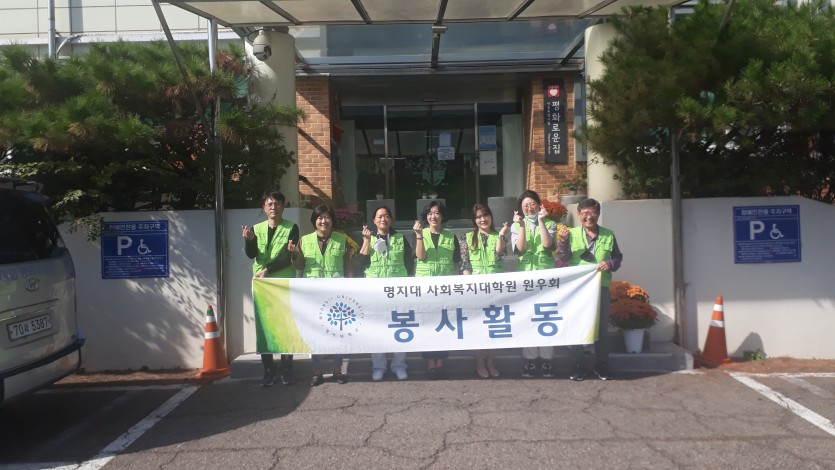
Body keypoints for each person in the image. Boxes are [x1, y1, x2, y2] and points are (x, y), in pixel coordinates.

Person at [557, 198, 623, 381]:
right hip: (578, 289)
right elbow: (563, 258)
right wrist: (562, 241)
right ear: (579, 215)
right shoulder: (570, 234)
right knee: (577, 326)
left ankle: (601, 364)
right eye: (585, 213)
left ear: (598, 214)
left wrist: (610, 263)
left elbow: (618, 258)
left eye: (593, 213)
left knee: (601, 329)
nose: (589, 216)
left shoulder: (609, 234)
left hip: (601, 287)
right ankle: (578, 365)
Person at [288, 205, 351, 386]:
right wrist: (294, 254)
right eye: (319, 218)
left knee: (338, 331)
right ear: (314, 221)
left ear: (332, 220)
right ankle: (317, 371)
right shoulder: (304, 240)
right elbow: (299, 266)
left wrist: (350, 287)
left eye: (327, 217)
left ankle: (338, 370)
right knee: (315, 333)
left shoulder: (342, 240)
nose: (323, 221)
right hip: (313, 296)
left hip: (337, 294)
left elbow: (348, 266)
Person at [243, 190, 299, 387]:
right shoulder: (256, 228)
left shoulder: (292, 227)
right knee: (264, 327)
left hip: (283, 281)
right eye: (270, 204)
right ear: (264, 208)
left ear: (283, 206)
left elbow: (288, 256)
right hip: (262, 284)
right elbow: (251, 255)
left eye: (277, 203)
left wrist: (268, 269)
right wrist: (249, 240)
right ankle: (268, 369)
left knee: (285, 325)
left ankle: (287, 369)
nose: (273, 207)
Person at [357, 206, 414, 381]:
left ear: (391, 219)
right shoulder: (369, 238)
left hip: (398, 291)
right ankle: (379, 367)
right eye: (379, 216)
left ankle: (399, 365)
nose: (383, 219)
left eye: (387, 216)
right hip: (376, 293)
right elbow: (361, 262)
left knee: (400, 327)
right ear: (374, 221)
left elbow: (409, 264)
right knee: (377, 330)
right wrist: (366, 241)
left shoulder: (400, 238)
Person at [511, 189, 557, 378]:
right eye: (525, 206)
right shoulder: (516, 226)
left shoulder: (551, 223)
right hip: (526, 278)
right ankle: (530, 359)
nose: (529, 208)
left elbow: (547, 245)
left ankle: (547, 359)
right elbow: (520, 248)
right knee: (528, 318)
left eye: (532, 204)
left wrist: (541, 221)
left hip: (546, 278)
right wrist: (522, 226)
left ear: (539, 205)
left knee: (546, 317)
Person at [414, 200, 463, 379]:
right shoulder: (420, 233)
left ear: (442, 216)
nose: (433, 216)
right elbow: (420, 256)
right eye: (429, 213)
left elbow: (456, 262)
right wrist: (419, 236)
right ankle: (430, 363)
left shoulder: (451, 236)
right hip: (425, 286)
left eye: (436, 213)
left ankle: (440, 362)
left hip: (445, 286)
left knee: (444, 323)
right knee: (427, 324)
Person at [462, 203, 510, 378]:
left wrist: (502, 237)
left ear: (491, 216)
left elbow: (499, 255)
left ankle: (490, 361)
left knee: (493, 325)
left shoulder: (499, 235)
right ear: (474, 220)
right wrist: (470, 286)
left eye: (485, 215)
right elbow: (465, 264)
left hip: (495, 286)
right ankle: (479, 361)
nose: (483, 219)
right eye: (478, 217)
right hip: (475, 288)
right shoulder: (467, 237)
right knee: (477, 326)